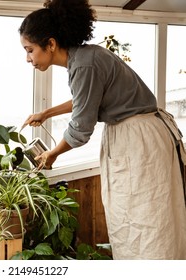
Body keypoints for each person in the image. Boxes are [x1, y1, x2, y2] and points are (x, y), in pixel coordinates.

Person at [19, 0, 186, 259]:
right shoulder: (84, 58)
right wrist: (47, 113)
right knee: (139, 218)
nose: (28, 59)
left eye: (30, 50)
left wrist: (53, 154)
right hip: (140, 134)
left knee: (146, 219)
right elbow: (86, 99)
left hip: (138, 141)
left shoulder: (84, 64)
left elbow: (80, 128)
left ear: (50, 44)